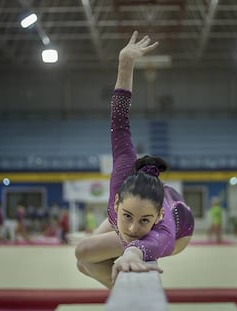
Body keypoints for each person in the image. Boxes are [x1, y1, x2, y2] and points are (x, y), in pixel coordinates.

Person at [75, 31, 194, 288]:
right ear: (116, 201)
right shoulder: (122, 172)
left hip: (181, 226)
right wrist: (125, 64)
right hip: (142, 197)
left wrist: (132, 252)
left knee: (86, 252)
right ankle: (122, 284)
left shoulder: (163, 228)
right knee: (83, 262)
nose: (132, 228)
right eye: (126, 216)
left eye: (144, 221)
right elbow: (119, 124)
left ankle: (132, 290)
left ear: (157, 216)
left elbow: (148, 240)